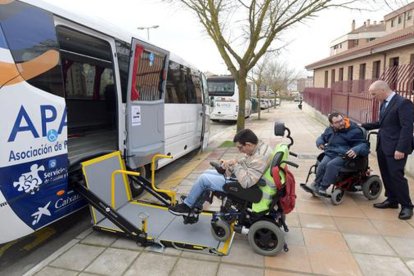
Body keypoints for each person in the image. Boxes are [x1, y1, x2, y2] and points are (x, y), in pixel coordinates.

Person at [168, 128, 273, 216]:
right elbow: (248, 163)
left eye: (240, 148)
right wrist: (231, 163)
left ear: (249, 144)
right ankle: (195, 201)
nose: (240, 151)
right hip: (247, 178)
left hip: (247, 187)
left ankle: (187, 206)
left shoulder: (259, 158)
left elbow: (246, 182)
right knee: (206, 173)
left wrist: (235, 165)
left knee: (203, 179)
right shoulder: (259, 147)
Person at [361, 80, 414, 220]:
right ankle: (392, 200)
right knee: (386, 174)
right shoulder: (384, 103)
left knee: (397, 176)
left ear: (382, 90)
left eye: (373, 94)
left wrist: (401, 149)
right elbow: (383, 124)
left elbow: (407, 128)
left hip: (396, 148)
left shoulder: (403, 103)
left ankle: (407, 206)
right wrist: (362, 126)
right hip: (383, 145)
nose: (373, 97)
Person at [310, 112, 370, 197]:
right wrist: (320, 142)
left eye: (341, 120)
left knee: (331, 165)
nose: (341, 123)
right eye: (337, 122)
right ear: (331, 124)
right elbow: (323, 137)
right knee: (322, 164)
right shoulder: (330, 130)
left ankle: (323, 188)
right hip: (331, 152)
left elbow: (364, 145)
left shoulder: (354, 130)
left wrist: (356, 149)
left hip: (344, 155)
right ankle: (316, 184)